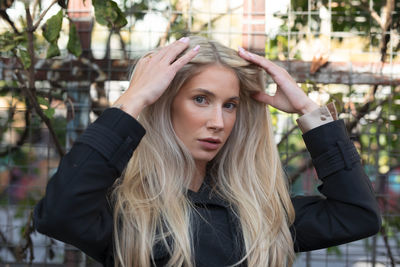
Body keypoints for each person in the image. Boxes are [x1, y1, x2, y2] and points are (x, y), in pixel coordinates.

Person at [33, 36, 381, 267]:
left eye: (230, 105)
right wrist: (132, 99)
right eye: (201, 99)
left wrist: (310, 112)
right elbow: (58, 214)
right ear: (163, 103)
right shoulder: (126, 212)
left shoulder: (261, 214)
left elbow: (358, 215)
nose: (218, 121)